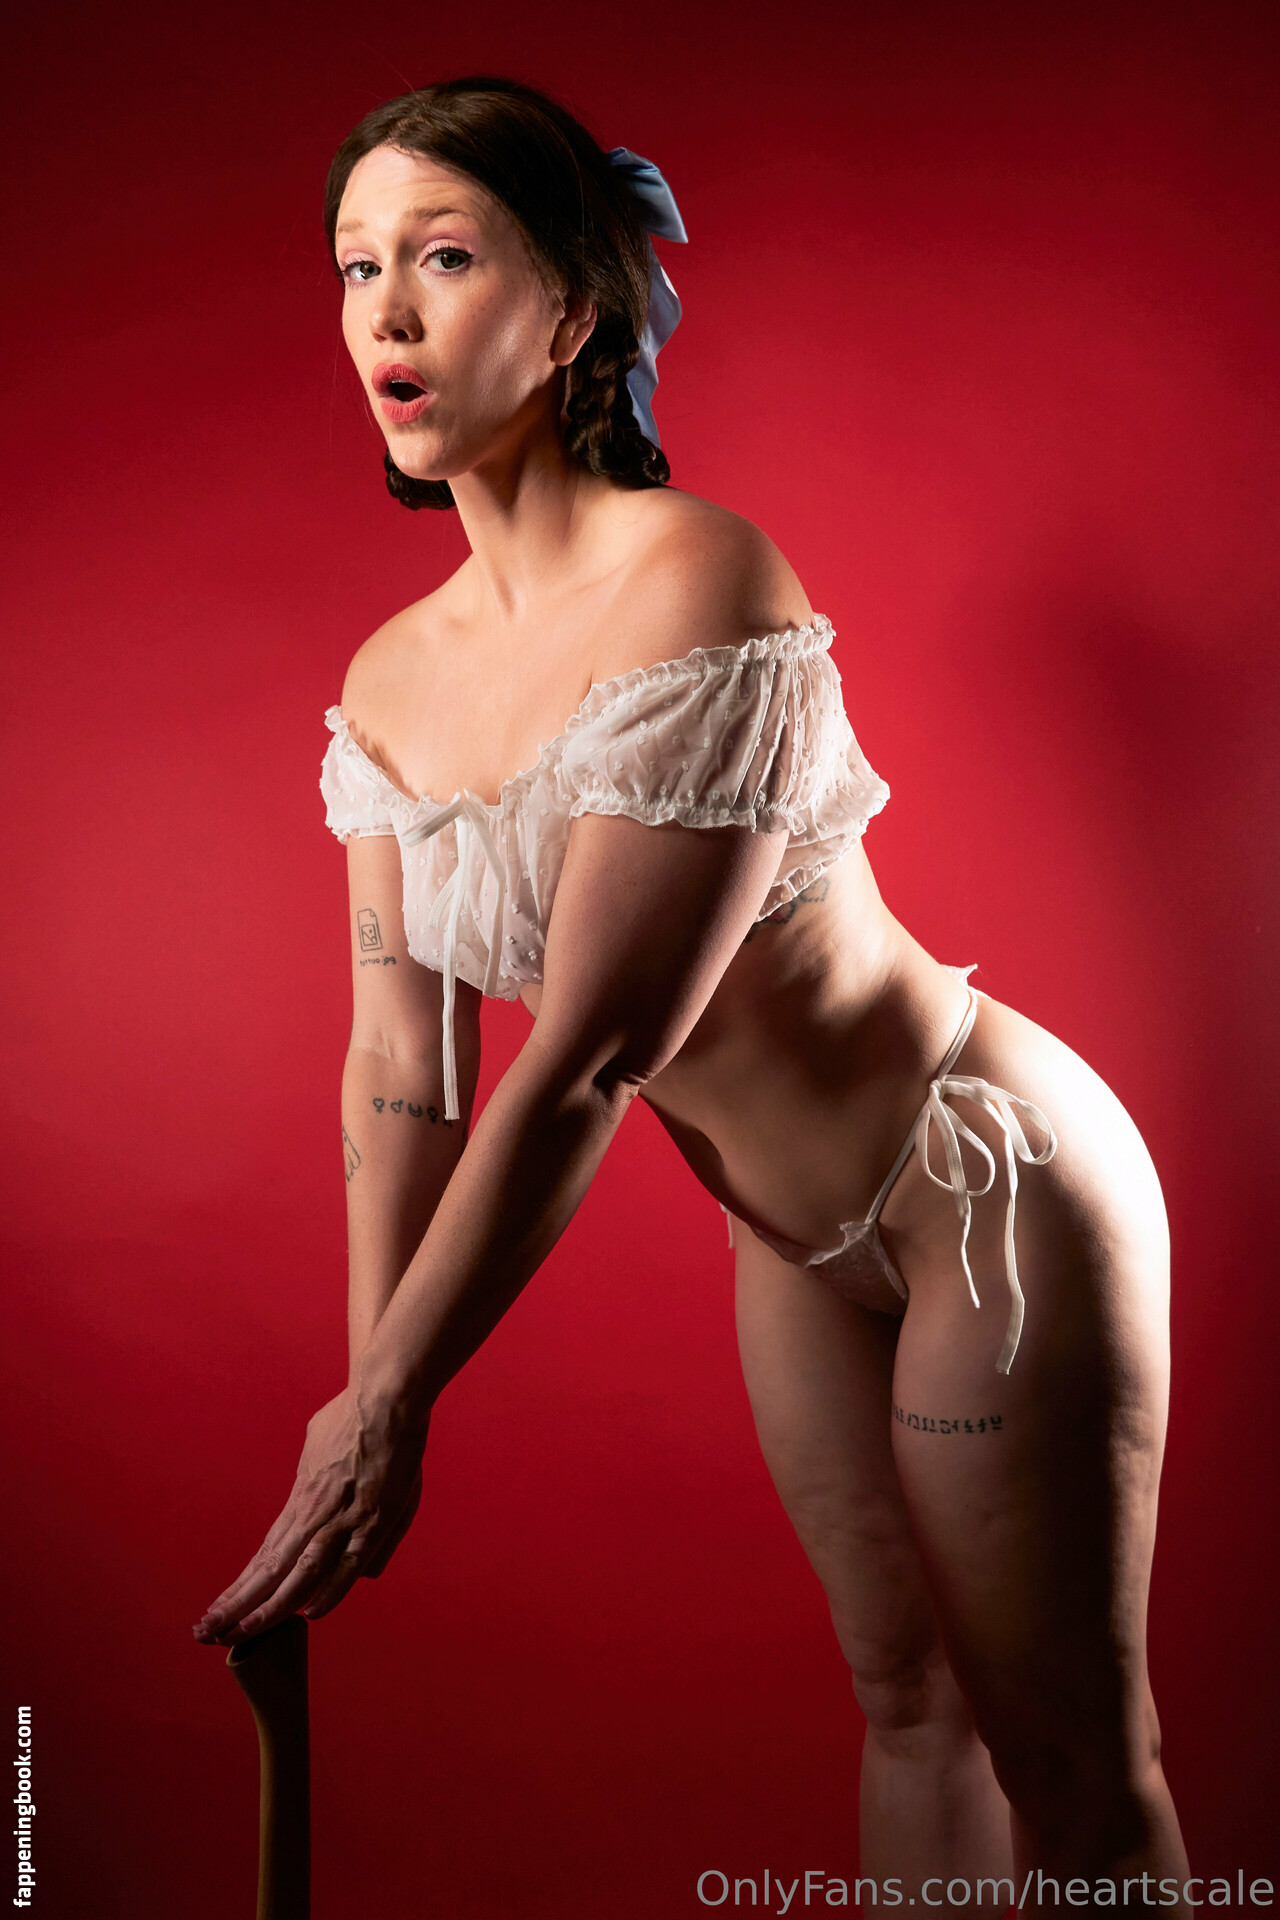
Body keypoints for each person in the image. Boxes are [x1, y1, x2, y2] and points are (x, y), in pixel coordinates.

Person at [194, 75, 1190, 1899]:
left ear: (574, 311)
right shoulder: (391, 684)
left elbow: (592, 1053)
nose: (386, 312)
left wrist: (393, 1405)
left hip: (983, 1183)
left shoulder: (700, 584)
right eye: (355, 267)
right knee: (906, 1711)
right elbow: (402, 1070)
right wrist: (363, 1403)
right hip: (791, 1238)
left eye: (443, 257)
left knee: (1068, 1751)